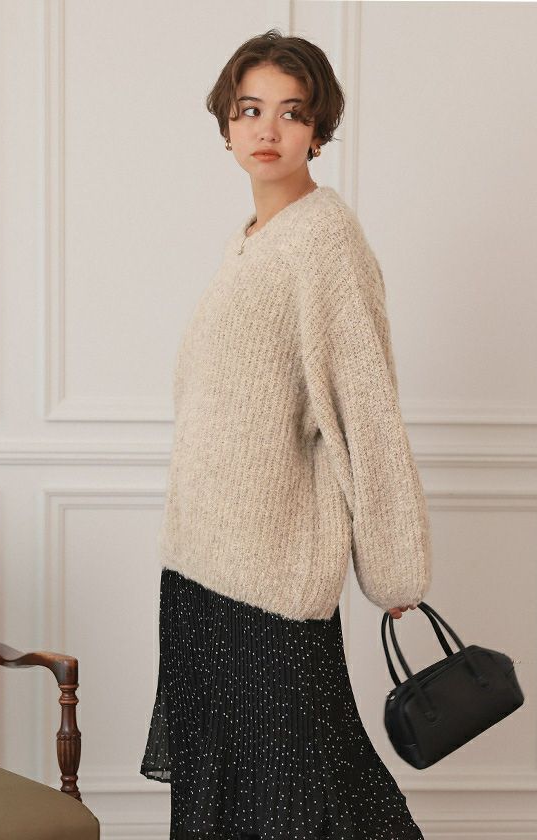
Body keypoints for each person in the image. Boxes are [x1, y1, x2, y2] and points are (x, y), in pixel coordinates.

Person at [140, 28, 430, 840]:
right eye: (250, 110)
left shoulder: (325, 241)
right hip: (200, 569)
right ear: (227, 125)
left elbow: (366, 409)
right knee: (233, 797)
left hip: (269, 578)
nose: (268, 130)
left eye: (291, 113)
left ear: (318, 130)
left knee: (313, 797)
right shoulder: (252, 241)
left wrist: (395, 561)